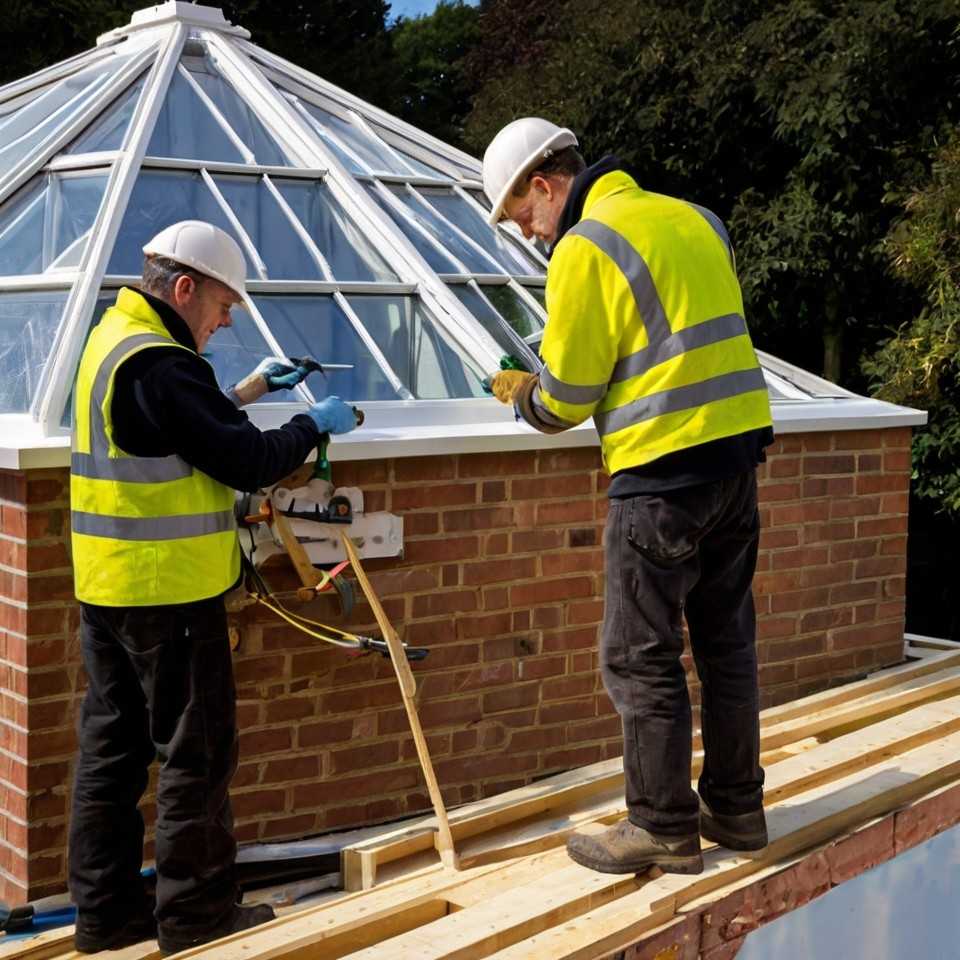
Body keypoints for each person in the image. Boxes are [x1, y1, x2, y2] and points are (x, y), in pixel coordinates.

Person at [484, 119, 774, 876]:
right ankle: (738, 810)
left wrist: (526, 396)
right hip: (737, 466)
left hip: (659, 482)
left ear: (545, 186)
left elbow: (570, 396)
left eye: (523, 217)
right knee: (726, 645)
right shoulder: (697, 219)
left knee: (640, 657)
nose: (531, 237)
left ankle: (661, 826)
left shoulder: (585, 246)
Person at [68, 220, 358, 953]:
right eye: (223, 305)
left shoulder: (115, 343)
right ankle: (196, 919)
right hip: (172, 599)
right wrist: (309, 422)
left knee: (111, 757)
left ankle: (106, 920)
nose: (227, 320)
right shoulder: (165, 363)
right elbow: (246, 460)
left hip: (108, 593)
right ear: (186, 288)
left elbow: (172, 429)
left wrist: (251, 387)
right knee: (195, 756)